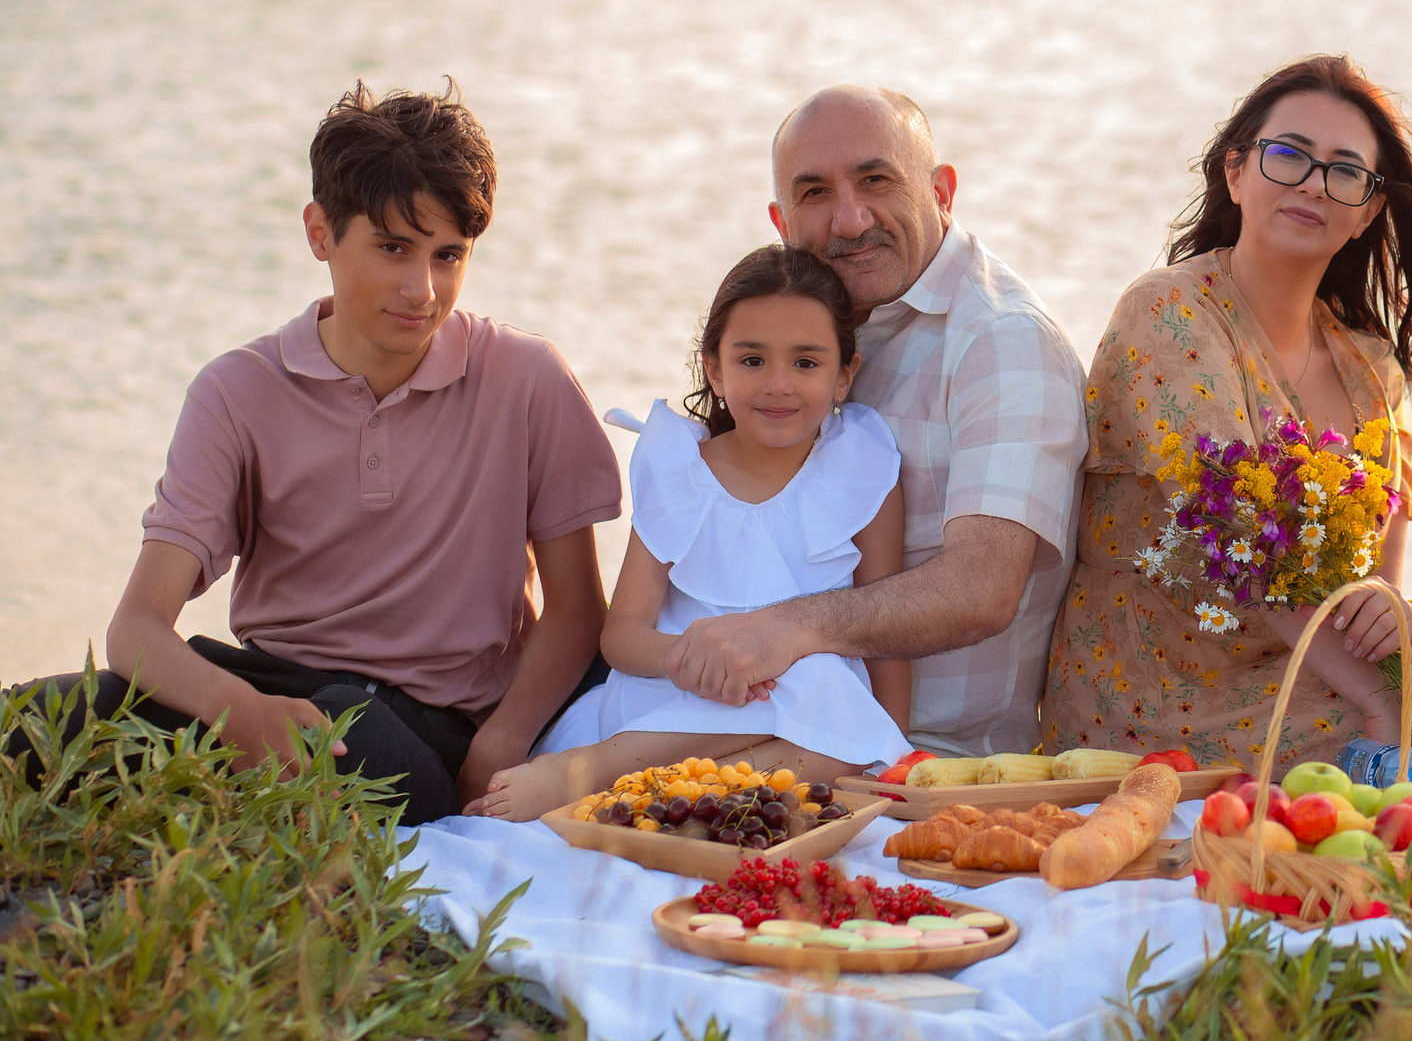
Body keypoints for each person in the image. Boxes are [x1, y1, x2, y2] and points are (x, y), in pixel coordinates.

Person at [24, 84, 621, 823]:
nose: (422, 289)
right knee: (35, 718)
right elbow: (137, 627)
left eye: (449, 254)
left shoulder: (528, 379)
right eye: (393, 247)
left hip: (420, 728)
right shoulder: (235, 391)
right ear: (320, 232)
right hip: (262, 686)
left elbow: (575, 609)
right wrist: (239, 709)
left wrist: (500, 742)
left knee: (354, 741)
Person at [1040, 56, 1412, 776]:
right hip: (1159, 703)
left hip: (1314, 660)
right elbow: (1246, 539)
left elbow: (1376, 584)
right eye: (1290, 155)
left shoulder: (1370, 366)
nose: (1313, 181)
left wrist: (1387, 613)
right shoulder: (1170, 313)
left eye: (1344, 170)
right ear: (1236, 173)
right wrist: (1380, 699)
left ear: (1368, 210)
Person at [658, 88, 1084, 758]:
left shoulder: (1001, 342)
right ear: (781, 221)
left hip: (923, 755)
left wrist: (787, 629)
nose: (850, 220)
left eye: (876, 180)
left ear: (942, 190)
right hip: (755, 711)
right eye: (815, 193)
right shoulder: (805, 326)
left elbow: (982, 589)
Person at [469, 246, 912, 819]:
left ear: (844, 375)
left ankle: (636, 790)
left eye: (806, 363)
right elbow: (621, 633)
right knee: (809, 681)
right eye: (752, 360)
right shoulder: (680, 468)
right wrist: (700, 660)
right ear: (715, 368)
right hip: (674, 700)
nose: (779, 384)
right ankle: (595, 769)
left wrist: (891, 744)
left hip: (804, 711)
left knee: (821, 681)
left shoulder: (862, 465)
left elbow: (888, 629)